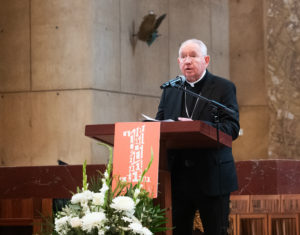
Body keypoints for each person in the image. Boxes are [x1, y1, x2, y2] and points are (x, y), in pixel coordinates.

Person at [155, 39, 240, 235]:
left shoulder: (222, 88)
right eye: (183, 57)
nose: (187, 61)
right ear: (178, 62)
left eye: (193, 55)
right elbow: (159, 125)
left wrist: (199, 128)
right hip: (177, 179)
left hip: (212, 175)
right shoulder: (171, 90)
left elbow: (232, 128)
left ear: (206, 60)